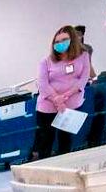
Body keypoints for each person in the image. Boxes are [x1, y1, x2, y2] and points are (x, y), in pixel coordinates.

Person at [34, 26, 92, 160]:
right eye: (57, 41)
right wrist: (57, 99)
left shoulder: (83, 56)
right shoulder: (45, 62)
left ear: (72, 40)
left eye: (64, 40)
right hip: (48, 107)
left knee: (66, 140)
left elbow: (83, 78)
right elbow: (42, 83)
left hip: (70, 106)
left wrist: (66, 96)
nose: (60, 44)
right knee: (46, 141)